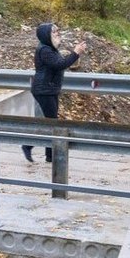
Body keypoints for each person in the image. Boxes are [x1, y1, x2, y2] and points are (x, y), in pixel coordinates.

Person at [22, 23, 86, 163]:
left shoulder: (50, 48)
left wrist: (76, 54)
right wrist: (76, 53)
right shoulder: (45, 50)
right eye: (54, 31)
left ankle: (49, 155)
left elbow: (61, 62)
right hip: (43, 90)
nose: (58, 33)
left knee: (51, 122)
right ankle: (28, 145)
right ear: (46, 35)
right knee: (53, 124)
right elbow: (60, 64)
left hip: (49, 89)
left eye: (58, 30)